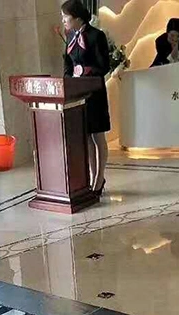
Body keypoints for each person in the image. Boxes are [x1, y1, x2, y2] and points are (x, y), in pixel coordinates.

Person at [61, 0, 111, 197]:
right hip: (78, 94)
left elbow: (104, 65)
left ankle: (99, 178)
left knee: (98, 135)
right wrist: (68, 77)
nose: (63, 20)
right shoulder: (71, 37)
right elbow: (67, 62)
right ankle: (92, 176)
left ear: (77, 17)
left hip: (94, 93)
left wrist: (85, 71)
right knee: (86, 136)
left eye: (66, 17)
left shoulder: (96, 36)